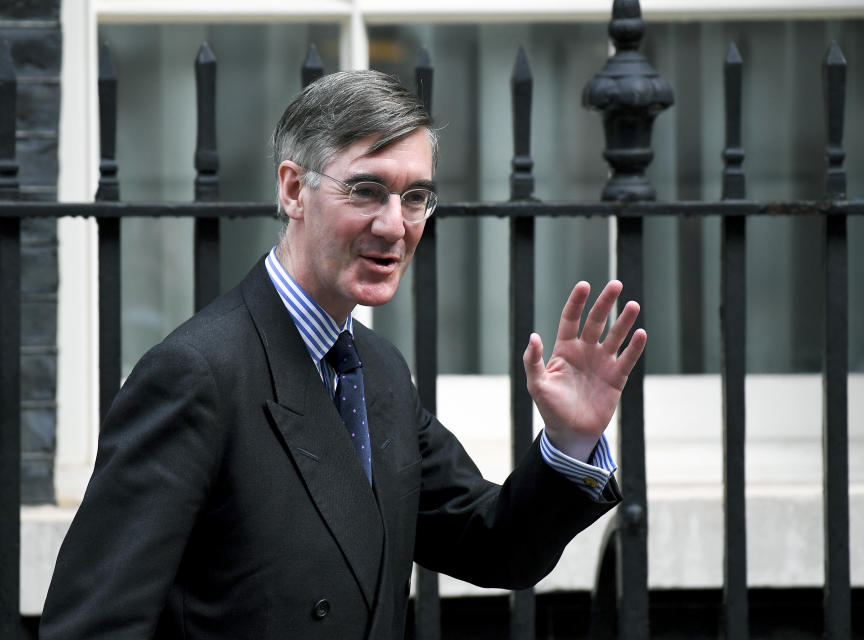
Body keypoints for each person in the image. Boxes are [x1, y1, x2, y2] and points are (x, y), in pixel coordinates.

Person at [40, 70, 646, 640]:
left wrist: (568, 441)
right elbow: (96, 623)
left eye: (415, 197)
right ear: (293, 190)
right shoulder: (197, 374)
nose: (393, 225)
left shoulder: (378, 370)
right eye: (366, 190)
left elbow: (492, 545)